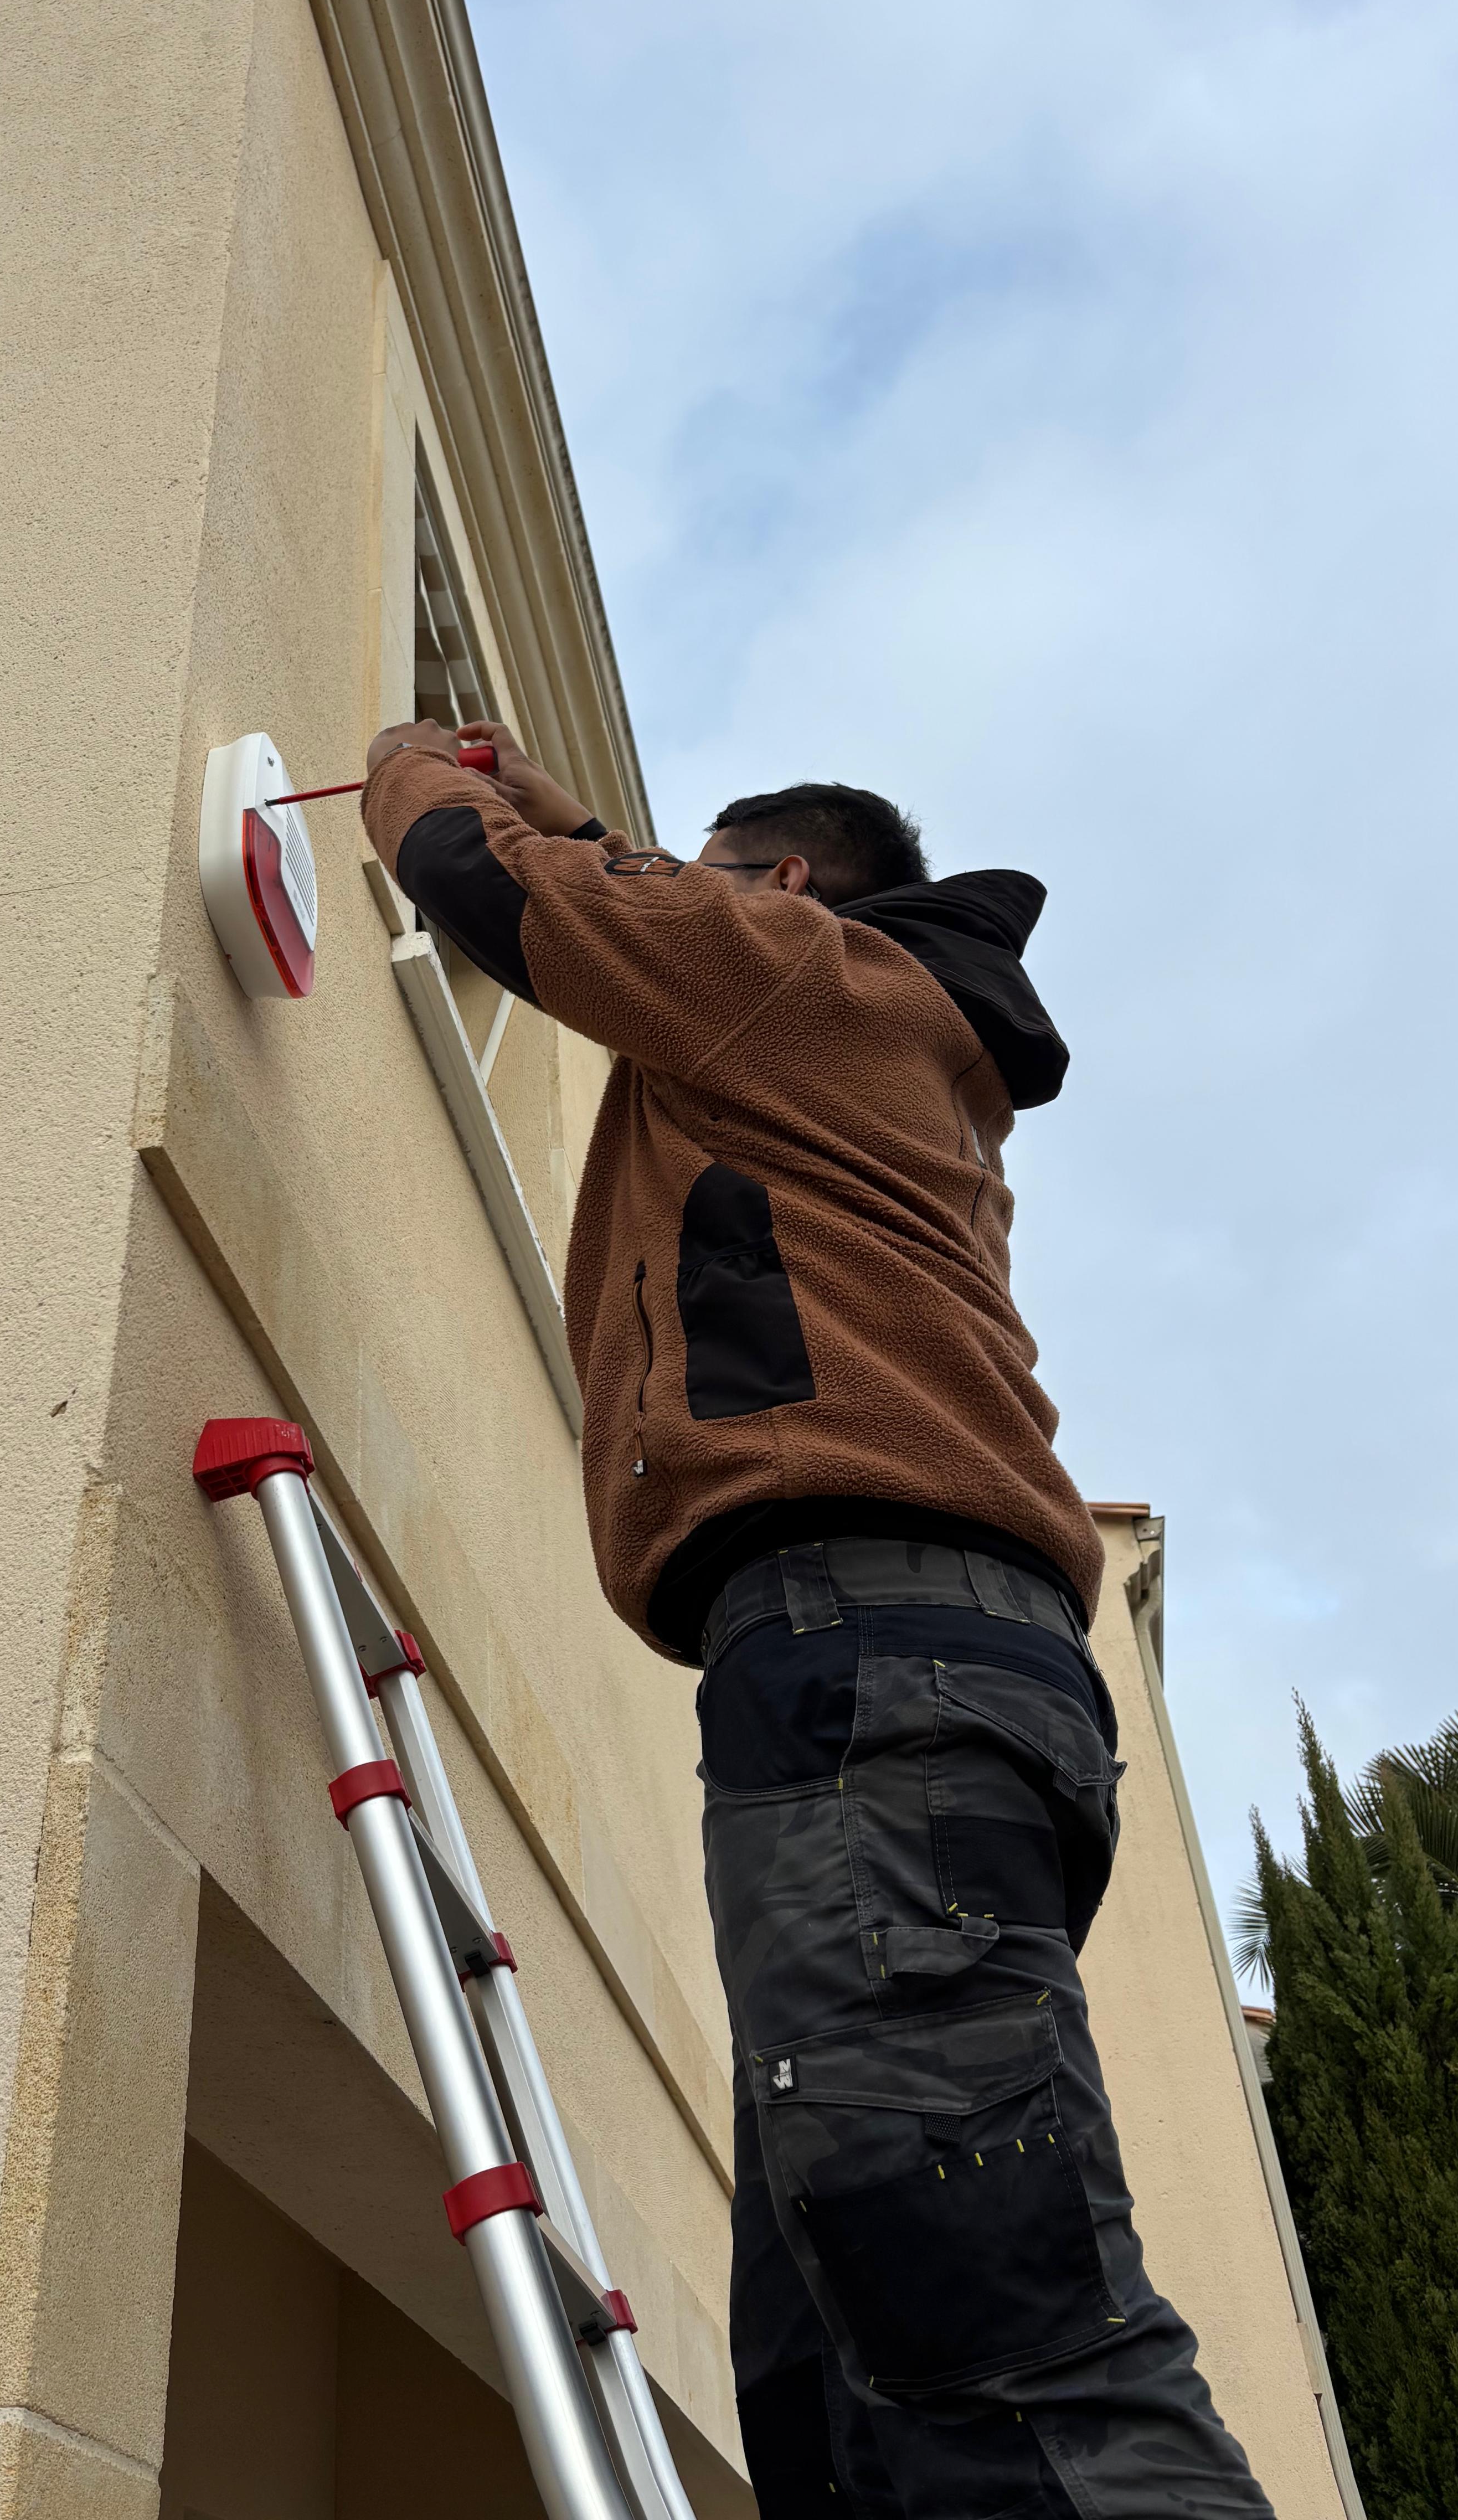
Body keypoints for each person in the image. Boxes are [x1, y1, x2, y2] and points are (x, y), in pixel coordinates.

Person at [359, 716, 1272, 2520]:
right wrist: (611, 839)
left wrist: (415, 763)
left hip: (877, 1670)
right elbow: (624, 900)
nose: (667, 902)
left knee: (984, 2331)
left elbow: (482, 880)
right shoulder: (832, 1011)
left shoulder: (794, 972)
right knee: (837, 2376)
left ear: (777, 886)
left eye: (695, 877)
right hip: (904, 1681)